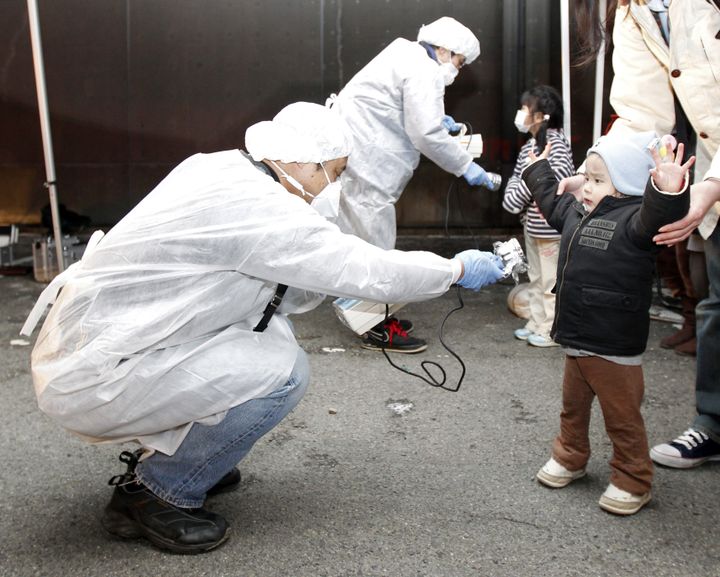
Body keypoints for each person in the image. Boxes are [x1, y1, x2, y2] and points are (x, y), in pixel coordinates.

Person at [20, 102, 505, 554]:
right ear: (303, 163)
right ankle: (156, 492)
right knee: (283, 372)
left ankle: (192, 458)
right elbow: (366, 270)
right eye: (334, 174)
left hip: (92, 343)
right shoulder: (267, 213)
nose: (332, 188)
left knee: (270, 339)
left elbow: (279, 288)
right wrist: (455, 271)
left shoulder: (220, 168)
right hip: (97, 374)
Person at [567, 0, 720, 469]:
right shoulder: (634, 11)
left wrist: (710, 187)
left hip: (714, 174)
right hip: (711, 170)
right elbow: (639, 116)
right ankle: (714, 423)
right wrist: (596, 170)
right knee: (717, 301)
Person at [525, 131, 694, 515]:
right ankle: (570, 457)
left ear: (628, 184)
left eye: (599, 180)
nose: (586, 186)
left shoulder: (637, 223)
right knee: (572, 408)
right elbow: (552, 201)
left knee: (622, 418)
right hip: (575, 339)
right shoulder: (576, 212)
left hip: (614, 346)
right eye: (587, 176)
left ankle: (633, 480)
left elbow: (661, 212)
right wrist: (538, 168)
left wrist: (666, 189)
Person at [327, 16, 501, 353]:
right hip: (369, 169)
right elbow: (425, 133)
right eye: (459, 62)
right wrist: (466, 166)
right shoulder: (424, 70)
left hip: (358, 159)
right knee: (375, 249)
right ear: (444, 49)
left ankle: (374, 314)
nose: (458, 71)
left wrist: (437, 120)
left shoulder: (404, 53)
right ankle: (375, 326)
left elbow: (401, 111)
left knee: (361, 245)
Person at [502, 85, 574, 348]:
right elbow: (521, 184)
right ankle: (536, 320)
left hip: (550, 228)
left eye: (525, 109)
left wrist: (526, 182)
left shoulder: (554, 144)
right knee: (537, 277)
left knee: (550, 281)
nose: (520, 114)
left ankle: (551, 328)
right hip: (533, 226)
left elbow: (558, 182)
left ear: (542, 116)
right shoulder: (532, 145)